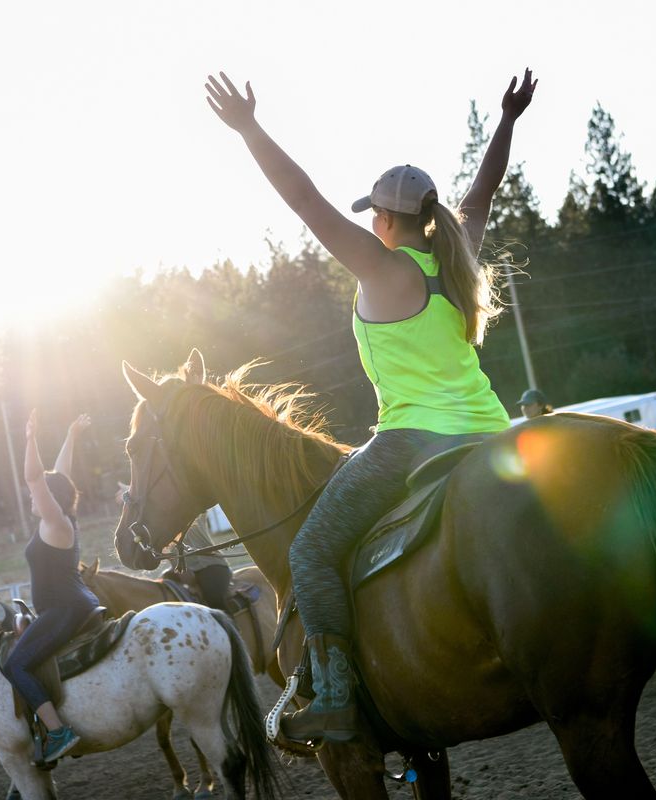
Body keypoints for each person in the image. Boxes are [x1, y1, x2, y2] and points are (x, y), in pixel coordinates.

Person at [206, 68, 535, 746]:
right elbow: (485, 187)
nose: (372, 224)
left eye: (375, 216)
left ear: (386, 220)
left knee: (311, 551)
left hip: (413, 441)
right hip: (491, 435)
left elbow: (303, 198)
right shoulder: (458, 251)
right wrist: (507, 119)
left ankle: (334, 696)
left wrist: (248, 129)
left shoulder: (382, 267)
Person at [2, 412, 99, 762]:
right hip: (72, 604)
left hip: (64, 610)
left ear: (52, 499)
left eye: (42, 492)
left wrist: (30, 439)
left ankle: (58, 732)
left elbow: (34, 477)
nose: (33, 494)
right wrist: (70, 435)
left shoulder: (56, 522)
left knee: (14, 665)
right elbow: (62, 477)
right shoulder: (59, 520)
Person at [116, 483, 233, 612]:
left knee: (216, 604)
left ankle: (233, 629)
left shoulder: (190, 506)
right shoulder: (160, 519)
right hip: (181, 572)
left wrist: (130, 490)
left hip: (210, 566)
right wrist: (132, 493)